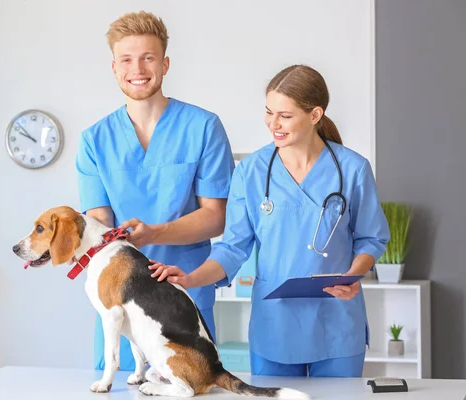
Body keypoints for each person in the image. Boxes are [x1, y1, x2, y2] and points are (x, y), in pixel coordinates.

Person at [150, 65, 390, 377]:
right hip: (275, 326)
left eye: (285, 116)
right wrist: (190, 279)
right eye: (268, 112)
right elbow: (233, 248)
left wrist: (353, 276)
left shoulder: (353, 169)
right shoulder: (251, 171)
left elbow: (372, 238)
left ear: (315, 115)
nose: (273, 124)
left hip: (337, 323)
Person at [75, 11, 235, 371]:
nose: (138, 68)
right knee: (117, 387)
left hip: (184, 292)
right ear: (114, 68)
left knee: (189, 383)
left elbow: (215, 216)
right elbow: (98, 221)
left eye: (148, 57)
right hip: (119, 300)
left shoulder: (203, 128)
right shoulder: (94, 141)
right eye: (127, 60)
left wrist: (156, 233)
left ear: (164, 64)